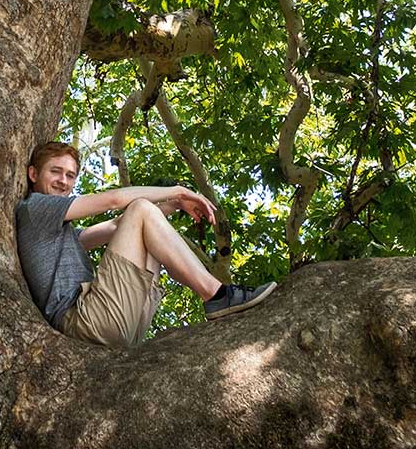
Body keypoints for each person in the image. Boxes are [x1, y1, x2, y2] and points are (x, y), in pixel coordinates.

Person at [16, 140, 277, 347]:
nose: (63, 181)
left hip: (119, 323)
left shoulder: (61, 234)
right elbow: (114, 200)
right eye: (55, 171)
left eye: (70, 175)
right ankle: (218, 295)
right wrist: (178, 190)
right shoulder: (34, 208)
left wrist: (174, 205)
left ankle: (213, 292)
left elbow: (117, 227)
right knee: (140, 207)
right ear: (33, 173)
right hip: (84, 322)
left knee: (142, 224)